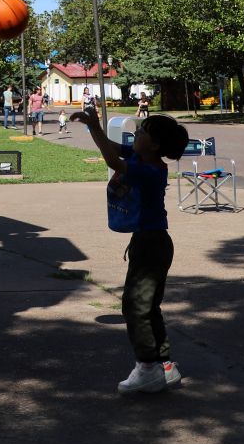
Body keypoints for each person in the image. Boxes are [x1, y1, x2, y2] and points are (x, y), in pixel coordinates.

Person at [70, 108, 189, 394]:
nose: (135, 132)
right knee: (147, 306)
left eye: (142, 131)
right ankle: (164, 365)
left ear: (155, 145)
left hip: (152, 245)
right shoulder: (139, 156)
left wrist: (95, 126)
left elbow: (112, 160)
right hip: (146, 242)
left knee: (135, 306)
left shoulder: (151, 171)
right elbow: (113, 148)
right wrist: (94, 127)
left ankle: (148, 368)